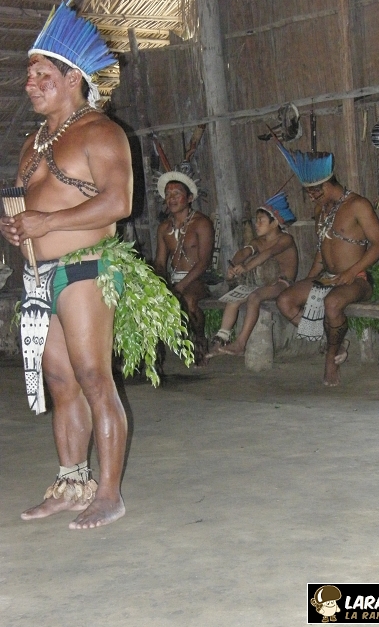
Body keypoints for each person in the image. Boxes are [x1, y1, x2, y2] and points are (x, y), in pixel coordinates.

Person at [0, 3, 133, 529]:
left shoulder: (101, 132)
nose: (30, 84)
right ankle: (72, 484)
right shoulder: (33, 142)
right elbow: (27, 205)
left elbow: (118, 202)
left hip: (86, 268)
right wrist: (15, 227)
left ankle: (109, 493)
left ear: (73, 77)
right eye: (29, 75)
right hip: (39, 275)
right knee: (60, 380)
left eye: (42, 75)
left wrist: (47, 223)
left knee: (94, 377)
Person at [274, 149, 379, 386]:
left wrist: (351, 272)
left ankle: (331, 358)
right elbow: (321, 250)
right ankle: (334, 341)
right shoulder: (321, 209)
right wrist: (308, 279)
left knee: (332, 304)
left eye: (313, 193)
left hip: (357, 279)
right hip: (328, 278)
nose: (311, 199)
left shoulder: (358, 205)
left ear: (325, 186)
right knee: (285, 301)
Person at [209, 192, 298, 357]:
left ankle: (241, 343)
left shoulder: (285, 239)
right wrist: (233, 266)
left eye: (261, 221)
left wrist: (246, 266)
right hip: (262, 283)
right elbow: (244, 252)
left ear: (274, 223)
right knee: (234, 298)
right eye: (256, 220)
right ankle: (220, 340)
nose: (257, 224)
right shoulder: (258, 241)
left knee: (254, 297)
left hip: (282, 283)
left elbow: (269, 253)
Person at [155, 171, 215, 366]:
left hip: (199, 279)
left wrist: (180, 287)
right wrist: (159, 285)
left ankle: (199, 341)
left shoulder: (201, 223)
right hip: (175, 279)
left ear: (189, 198)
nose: (171, 198)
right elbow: (160, 262)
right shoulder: (164, 228)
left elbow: (203, 262)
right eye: (168, 194)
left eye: (177, 194)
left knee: (189, 300)